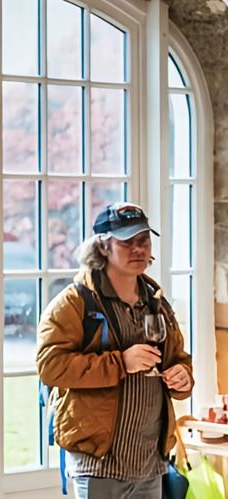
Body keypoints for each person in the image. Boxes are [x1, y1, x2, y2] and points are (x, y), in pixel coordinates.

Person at [37, 202, 193, 499]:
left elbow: (178, 359)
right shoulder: (74, 302)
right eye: (126, 241)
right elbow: (50, 366)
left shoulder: (156, 301)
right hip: (98, 463)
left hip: (150, 463)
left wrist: (183, 377)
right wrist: (121, 362)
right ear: (103, 247)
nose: (138, 249)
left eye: (143, 240)